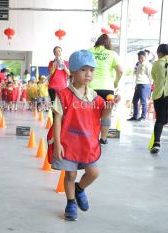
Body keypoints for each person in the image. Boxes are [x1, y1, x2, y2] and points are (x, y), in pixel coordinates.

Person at [49, 49, 120, 221]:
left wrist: (110, 107)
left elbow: (103, 116)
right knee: (70, 175)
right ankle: (71, 202)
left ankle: (79, 189)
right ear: (72, 71)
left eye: (91, 70)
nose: (88, 74)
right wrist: (57, 144)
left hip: (87, 143)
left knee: (93, 172)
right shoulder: (63, 95)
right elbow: (57, 120)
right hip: (68, 143)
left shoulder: (95, 97)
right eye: (83, 69)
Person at [89, 34, 123, 144]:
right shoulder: (112, 54)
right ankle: (103, 139)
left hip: (90, 88)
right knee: (106, 113)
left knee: (90, 113)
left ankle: (90, 137)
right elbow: (121, 70)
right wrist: (116, 82)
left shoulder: (89, 51)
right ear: (108, 43)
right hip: (107, 88)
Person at [150, 44, 168, 153]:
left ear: (159, 53)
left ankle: (156, 143)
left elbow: (154, 78)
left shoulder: (156, 64)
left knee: (160, 120)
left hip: (160, 95)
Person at [127, 50, 152, 121]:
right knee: (134, 101)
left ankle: (143, 117)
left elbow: (150, 76)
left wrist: (150, 86)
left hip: (145, 84)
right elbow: (138, 75)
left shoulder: (148, 65)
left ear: (145, 57)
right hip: (138, 84)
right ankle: (135, 116)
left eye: (141, 57)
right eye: (138, 58)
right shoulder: (139, 64)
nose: (139, 59)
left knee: (143, 101)